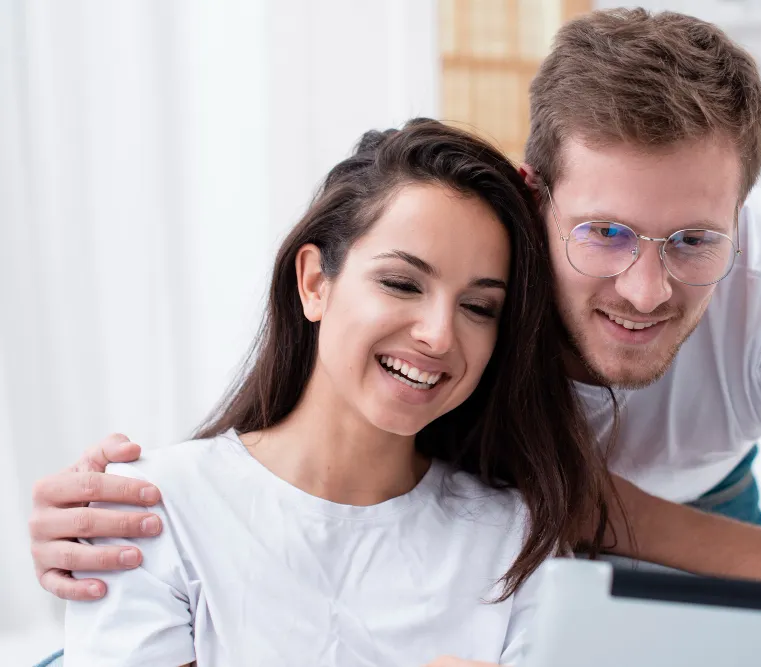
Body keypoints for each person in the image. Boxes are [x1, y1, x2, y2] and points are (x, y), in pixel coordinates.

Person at [29, 6, 761, 652]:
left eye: (696, 239)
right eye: (604, 232)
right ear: (537, 202)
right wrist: (138, 518)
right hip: (487, 496)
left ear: (746, 211)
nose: (647, 288)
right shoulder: (468, 255)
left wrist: (609, 518)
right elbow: (316, 436)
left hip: (686, 508)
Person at [52, 119, 617, 666]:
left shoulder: (513, 537)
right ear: (315, 283)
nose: (439, 334)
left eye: (478, 307)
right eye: (401, 283)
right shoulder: (154, 510)